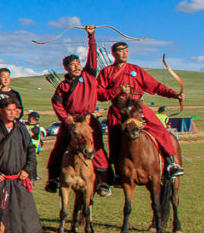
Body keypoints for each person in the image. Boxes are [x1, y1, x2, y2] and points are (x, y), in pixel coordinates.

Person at [98, 41, 184, 178]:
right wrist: (118, 90)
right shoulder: (106, 72)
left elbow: (155, 86)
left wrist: (174, 94)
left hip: (138, 108)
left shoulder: (136, 70)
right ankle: (119, 173)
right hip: (118, 110)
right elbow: (99, 94)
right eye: (121, 50)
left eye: (126, 50)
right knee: (115, 139)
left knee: (160, 129)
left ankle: (171, 163)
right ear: (113, 53)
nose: (125, 53)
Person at [45, 25, 110, 196]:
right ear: (66, 68)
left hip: (88, 120)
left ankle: (104, 181)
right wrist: (66, 120)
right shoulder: (64, 85)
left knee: (98, 147)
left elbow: (92, 55)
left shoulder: (89, 75)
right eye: (72, 65)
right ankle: (52, 179)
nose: (76, 67)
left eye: (77, 63)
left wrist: (91, 37)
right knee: (59, 147)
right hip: (72, 122)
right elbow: (56, 102)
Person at [0, 98, 42, 233]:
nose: (13, 113)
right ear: (1, 110)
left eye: (15, 110)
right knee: (1, 209)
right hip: (1, 176)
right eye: (9, 110)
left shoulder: (21, 129)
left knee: (25, 208)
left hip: (20, 176)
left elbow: (31, 151)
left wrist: (27, 170)